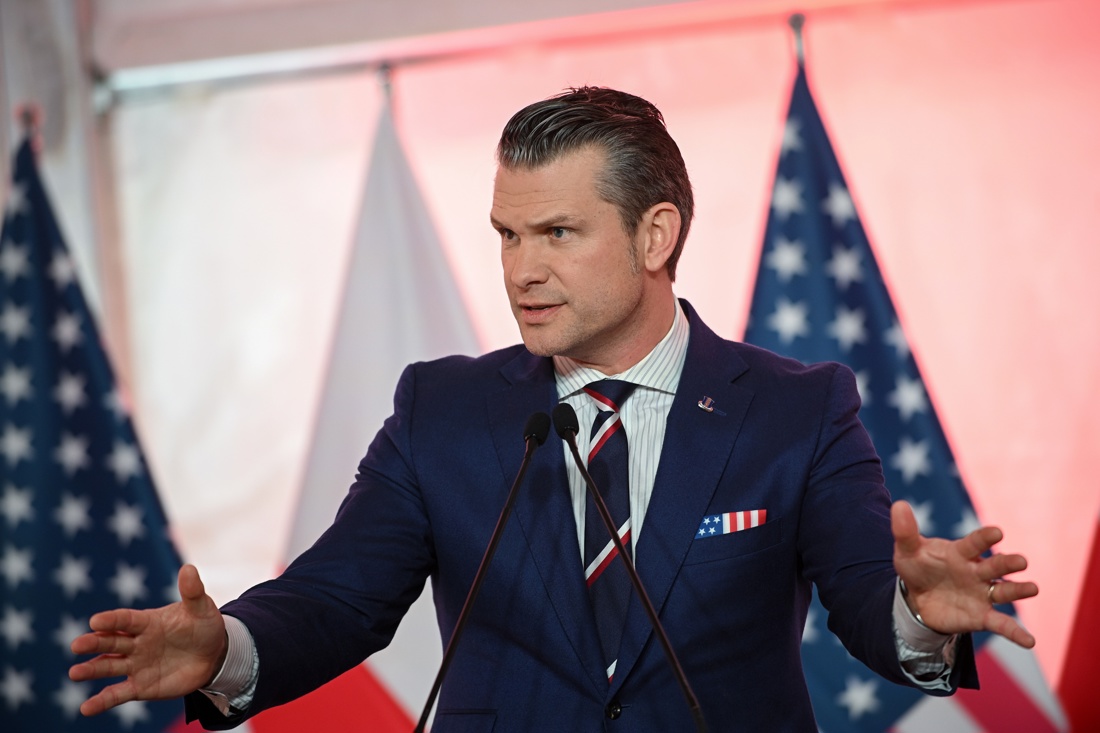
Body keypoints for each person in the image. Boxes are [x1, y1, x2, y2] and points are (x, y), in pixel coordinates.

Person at [70, 87, 1038, 731]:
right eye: (507, 234)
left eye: (558, 233)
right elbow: (336, 598)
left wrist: (920, 615)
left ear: (655, 235)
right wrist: (225, 647)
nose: (521, 270)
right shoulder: (442, 410)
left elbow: (867, 599)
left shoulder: (796, 409)